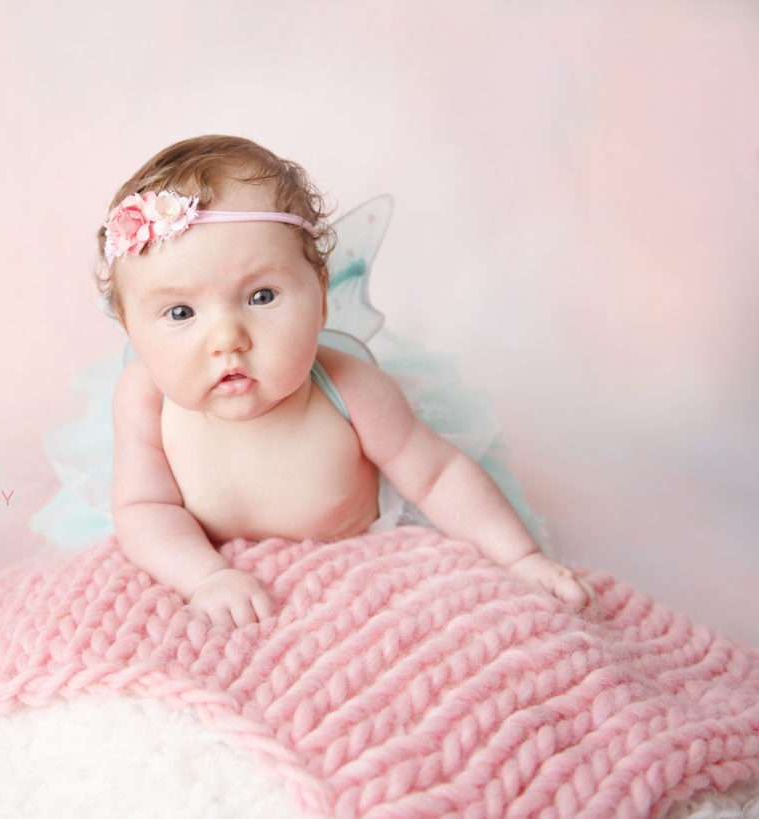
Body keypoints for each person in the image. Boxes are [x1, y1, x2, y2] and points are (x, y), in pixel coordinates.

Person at [86, 134, 595, 628]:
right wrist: (206, 577)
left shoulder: (350, 388)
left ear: (321, 299)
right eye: (180, 312)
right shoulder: (145, 398)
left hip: (358, 549)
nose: (227, 338)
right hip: (210, 558)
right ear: (131, 329)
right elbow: (143, 508)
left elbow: (438, 475)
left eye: (262, 297)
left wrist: (521, 557)